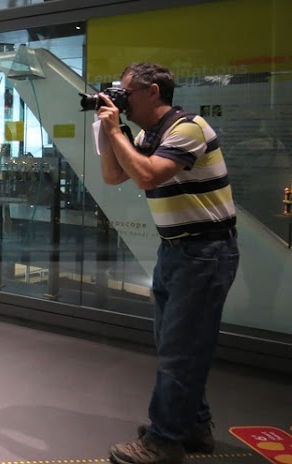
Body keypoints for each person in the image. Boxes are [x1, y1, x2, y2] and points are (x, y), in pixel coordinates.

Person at [96, 62, 239, 464]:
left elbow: (147, 177)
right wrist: (108, 132)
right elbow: (113, 176)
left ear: (153, 92)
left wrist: (115, 130)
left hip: (204, 252)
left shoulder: (187, 128)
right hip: (176, 251)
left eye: (125, 93)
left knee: (180, 351)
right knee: (176, 346)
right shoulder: (148, 135)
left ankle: (163, 441)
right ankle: (192, 427)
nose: (121, 99)